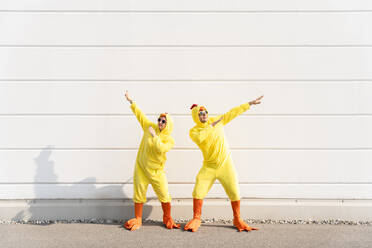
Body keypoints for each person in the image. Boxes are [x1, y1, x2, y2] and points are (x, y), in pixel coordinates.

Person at [184, 95, 264, 232]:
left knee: (234, 192)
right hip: (209, 166)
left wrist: (248, 104)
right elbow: (201, 138)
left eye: (205, 112)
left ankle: (237, 219)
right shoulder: (194, 131)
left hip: (225, 165)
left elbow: (232, 113)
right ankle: (196, 218)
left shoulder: (217, 120)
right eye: (200, 114)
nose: (204, 115)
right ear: (196, 117)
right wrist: (211, 126)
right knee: (198, 190)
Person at [123, 91, 180, 231]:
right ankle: (138, 218)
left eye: (163, 121)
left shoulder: (169, 139)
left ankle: (167, 218)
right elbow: (140, 115)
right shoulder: (149, 127)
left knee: (164, 193)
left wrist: (155, 137)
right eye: (159, 120)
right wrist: (131, 101)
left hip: (156, 171)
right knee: (139, 192)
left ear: (168, 124)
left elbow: (161, 148)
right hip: (141, 168)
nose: (160, 122)